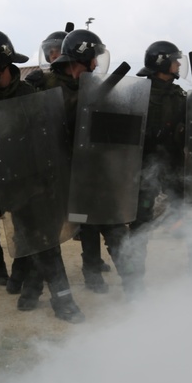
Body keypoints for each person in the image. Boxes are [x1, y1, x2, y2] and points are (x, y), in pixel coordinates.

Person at [0, 29, 83, 328]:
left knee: (45, 243)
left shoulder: (29, 96)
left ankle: (63, 301)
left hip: (25, 183)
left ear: (2, 59)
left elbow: (48, 140)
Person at [37, 28, 133, 295]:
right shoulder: (49, 85)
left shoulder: (93, 87)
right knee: (80, 227)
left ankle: (133, 286)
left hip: (94, 170)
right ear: (84, 58)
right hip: (63, 173)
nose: (95, 65)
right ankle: (83, 276)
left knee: (113, 227)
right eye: (93, 59)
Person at [126, 39, 188, 295]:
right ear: (162, 62)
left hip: (173, 167)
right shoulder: (138, 93)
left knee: (191, 215)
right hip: (145, 170)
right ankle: (134, 284)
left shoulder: (179, 96)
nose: (178, 65)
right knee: (140, 226)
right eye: (175, 60)